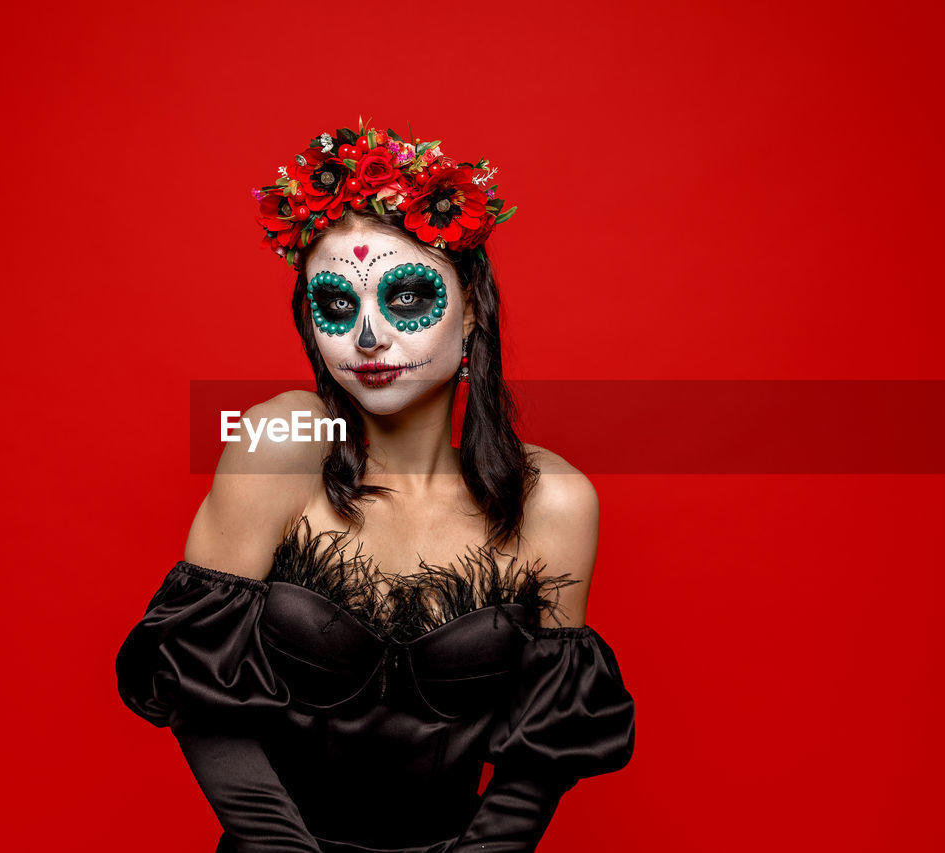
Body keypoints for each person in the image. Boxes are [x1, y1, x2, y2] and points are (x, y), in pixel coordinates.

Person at [115, 121, 635, 853]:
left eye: (408, 296)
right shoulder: (284, 443)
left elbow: (535, 767)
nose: (366, 336)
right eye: (335, 305)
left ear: (473, 312)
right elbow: (202, 698)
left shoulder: (552, 499)